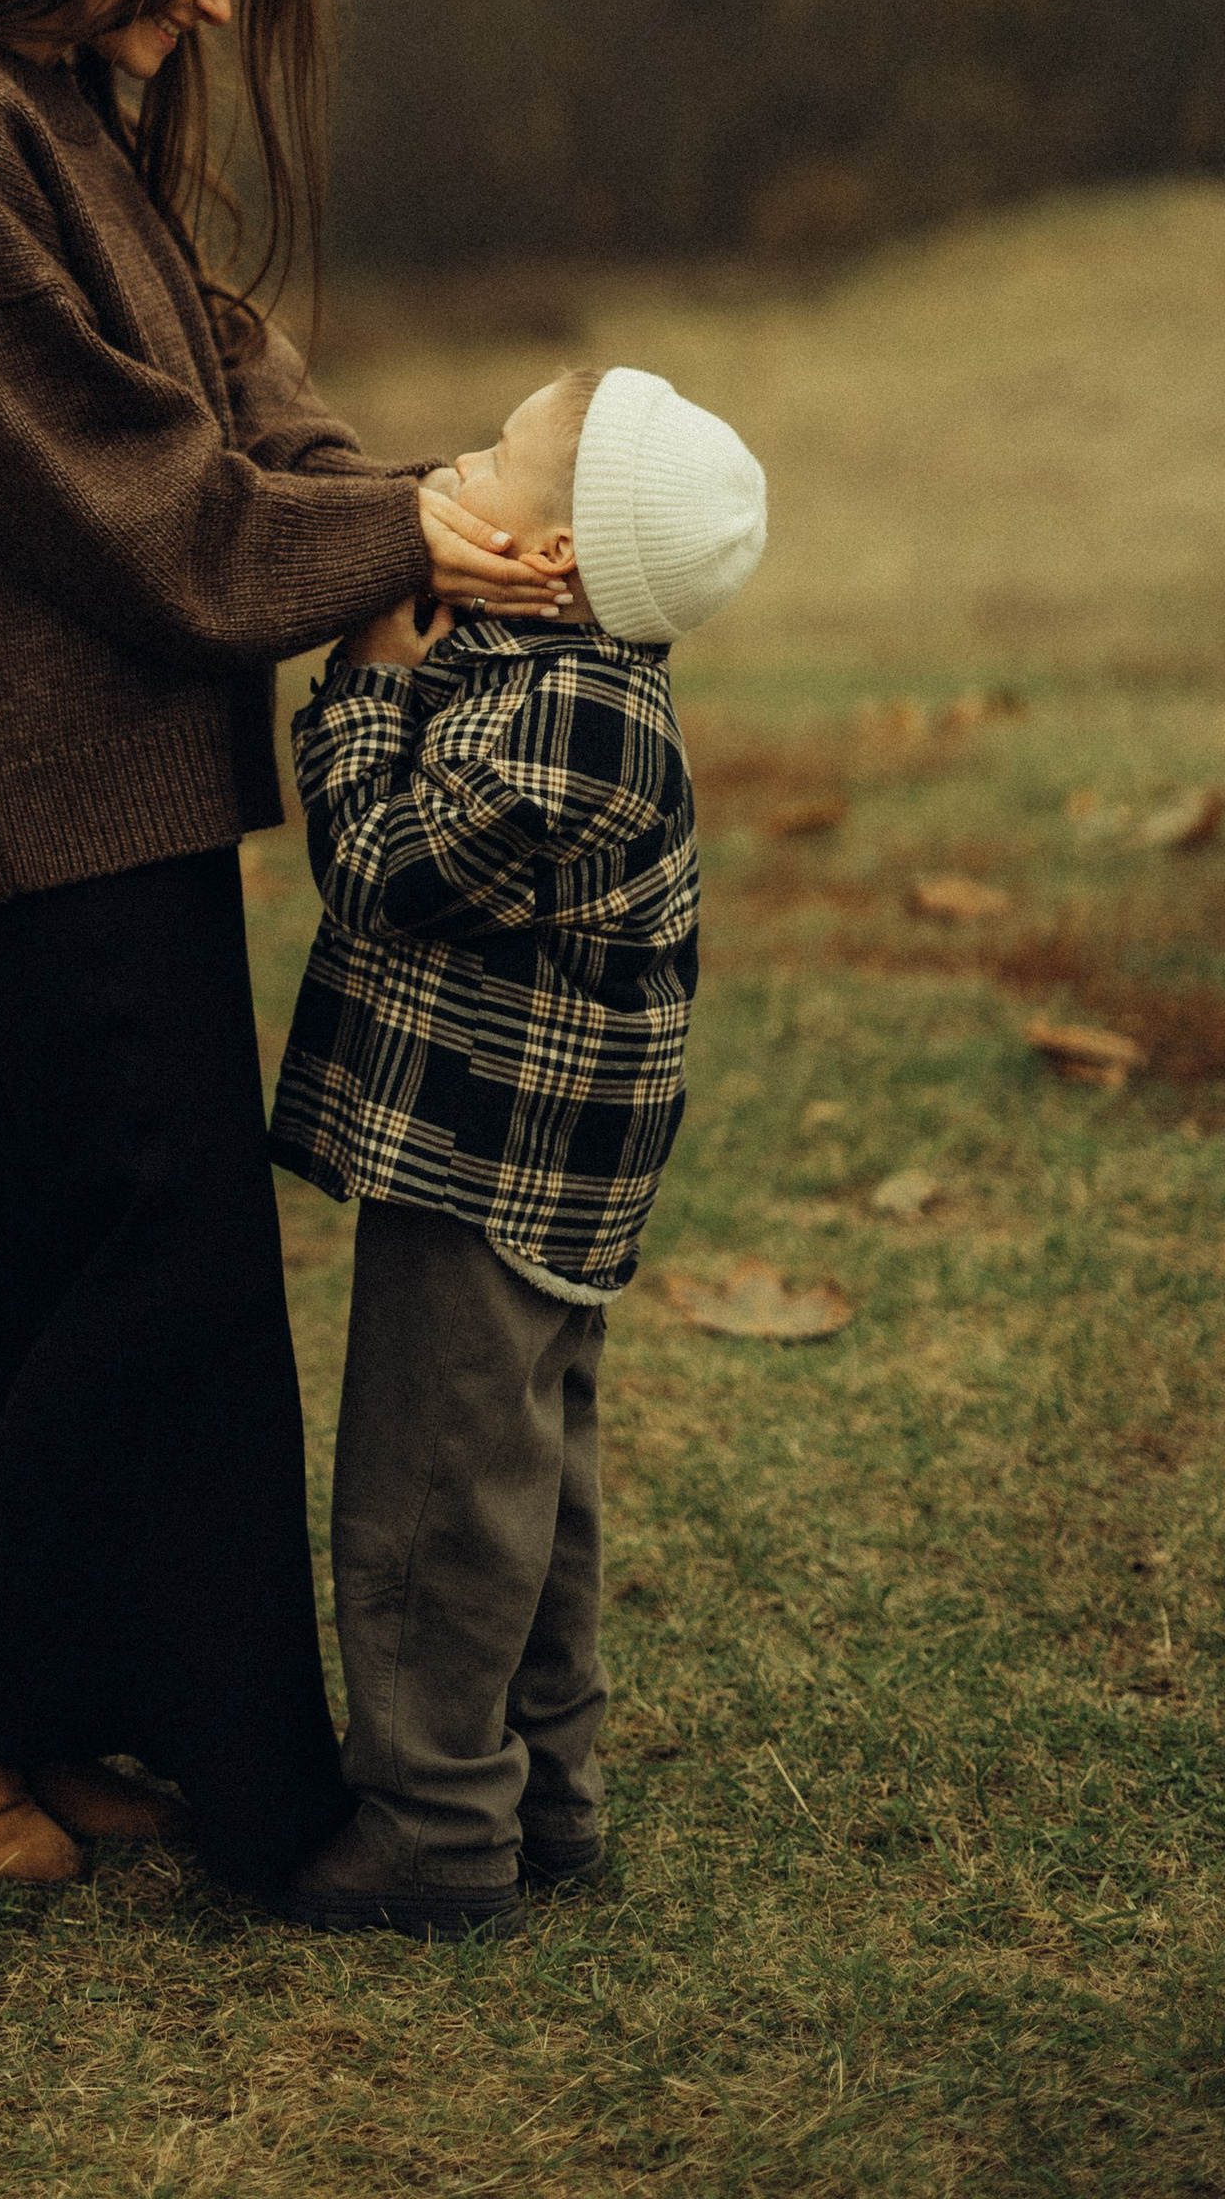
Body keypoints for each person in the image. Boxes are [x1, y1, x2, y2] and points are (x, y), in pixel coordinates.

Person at [0, 0, 579, 1898]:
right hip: (26, 751)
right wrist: (384, 536)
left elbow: (216, 370)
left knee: (56, 1219)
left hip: (98, 748)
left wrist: (399, 503)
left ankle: (88, 1712)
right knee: (174, 1261)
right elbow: (93, 477)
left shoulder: (56, 98)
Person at [269, 364, 767, 1939]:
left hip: (493, 1163)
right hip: (531, 1162)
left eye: (487, 454)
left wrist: (356, 672)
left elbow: (377, 871)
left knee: (436, 1496)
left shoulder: (577, 725)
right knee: (525, 1483)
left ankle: (434, 1823)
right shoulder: (558, 660)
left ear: (550, 560)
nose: (454, 460)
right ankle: (547, 1796)